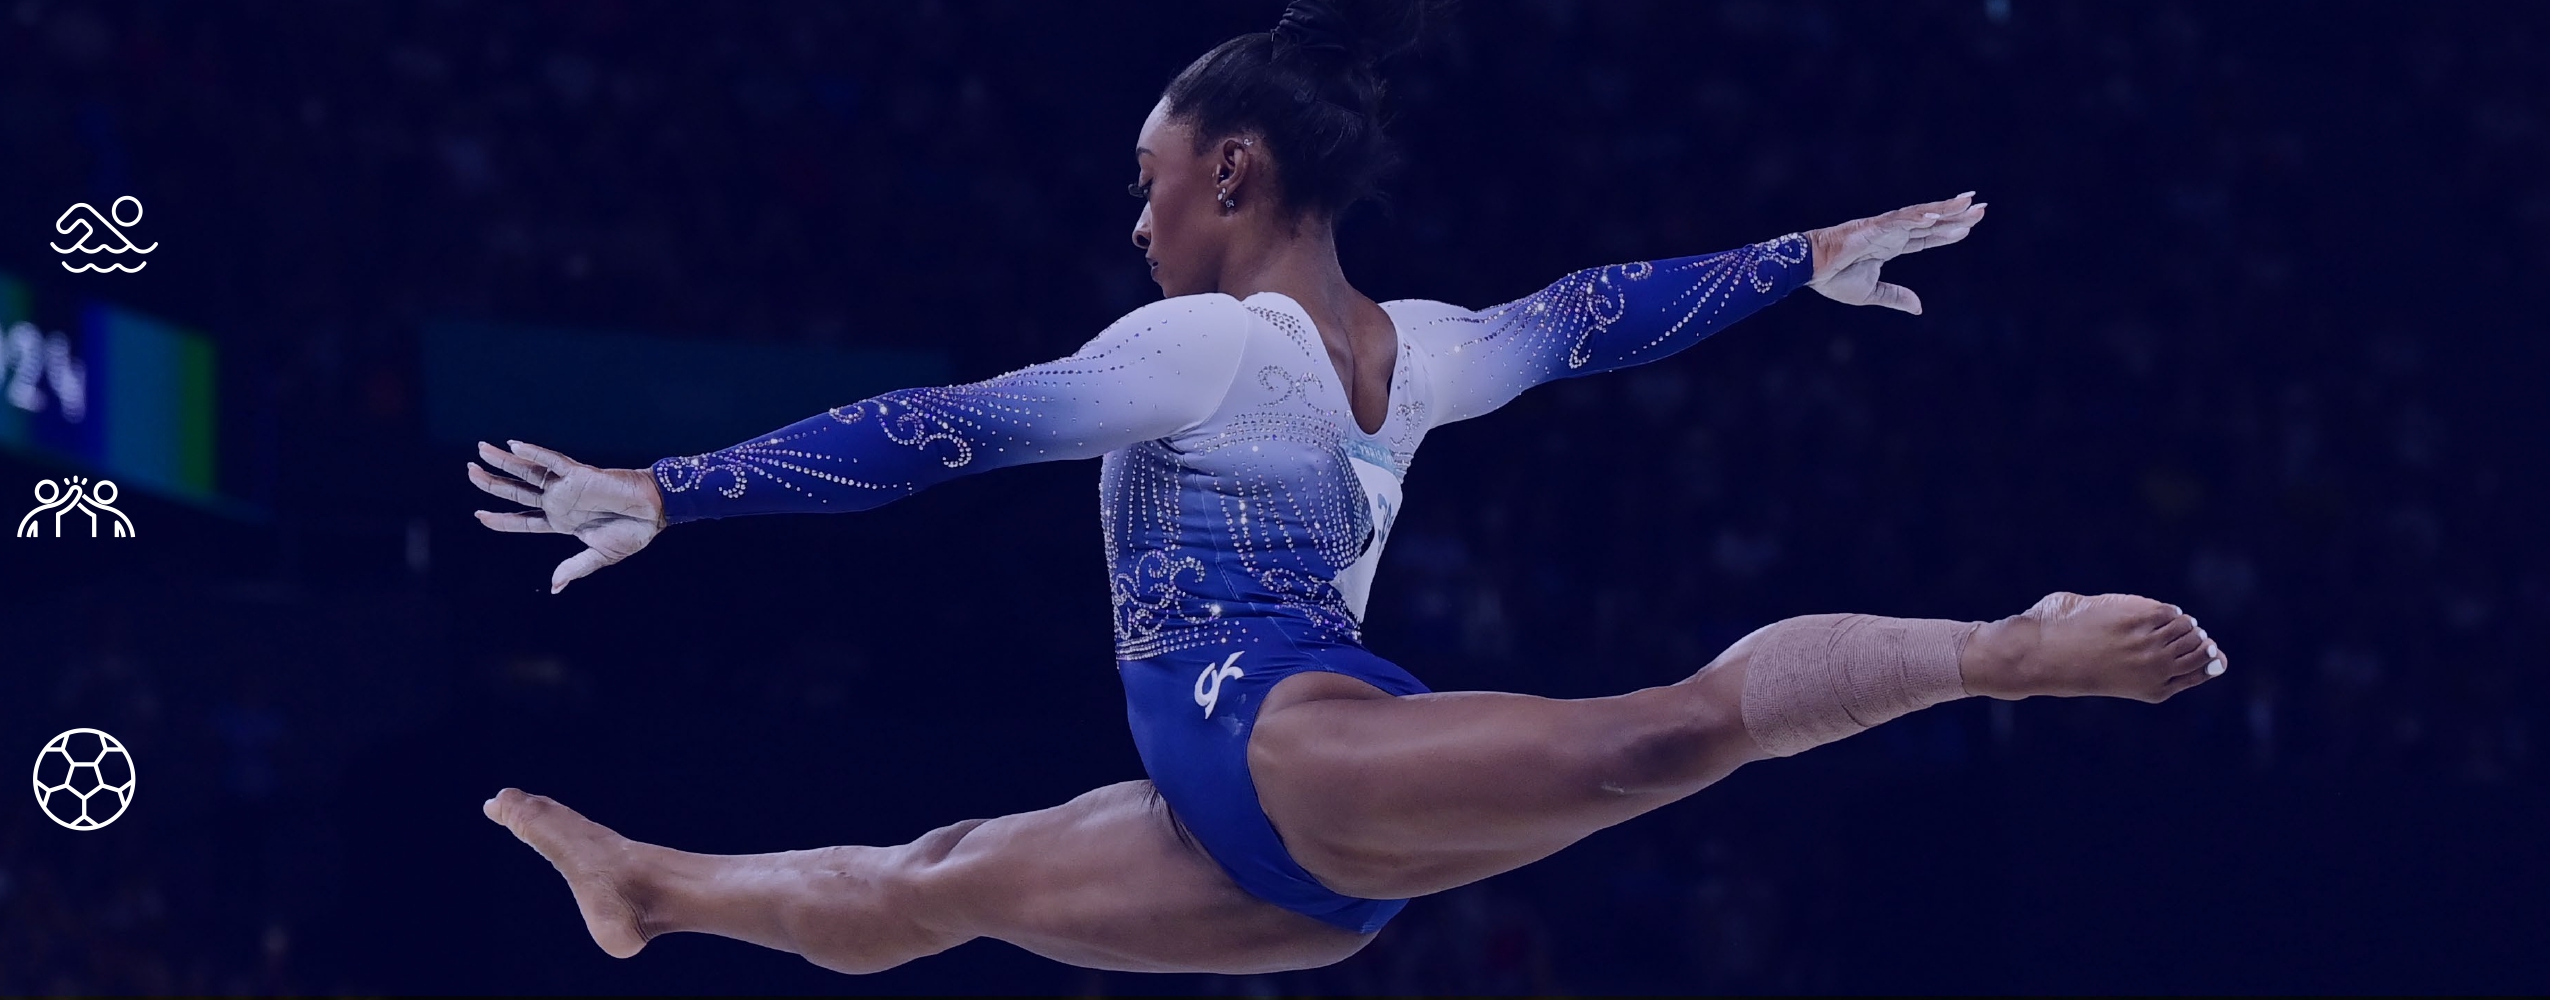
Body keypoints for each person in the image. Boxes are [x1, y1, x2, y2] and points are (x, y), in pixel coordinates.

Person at [466, 0, 2227, 976]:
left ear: (1233, 172)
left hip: (1284, 754)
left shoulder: (1203, 350)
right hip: (1272, 855)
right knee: (935, 882)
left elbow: (943, 427)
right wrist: (1796, 254)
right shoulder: (1427, 349)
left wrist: (676, 490)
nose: (1129, 218)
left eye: (1146, 180)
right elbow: (1593, 318)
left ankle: (2003, 649)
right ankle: (651, 888)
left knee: (1659, 736)